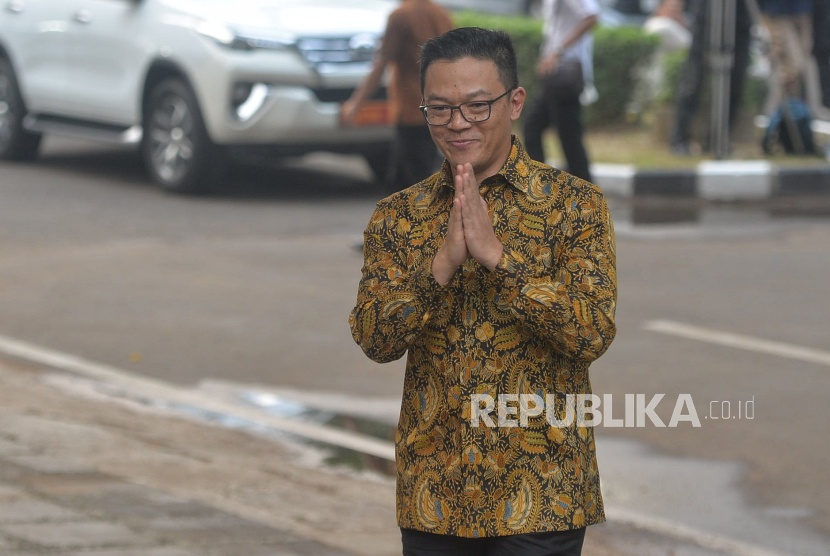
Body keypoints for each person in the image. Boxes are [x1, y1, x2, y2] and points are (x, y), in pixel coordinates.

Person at [349, 27, 617, 554]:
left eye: (477, 106)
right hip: (435, 493)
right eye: (440, 109)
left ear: (515, 102)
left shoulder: (575, 207)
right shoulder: (398, 216)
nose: (458, 124)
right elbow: (375, 340)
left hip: (542, 492)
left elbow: (592, 333)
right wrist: (440, 268)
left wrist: (499, 260)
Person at [340, 0, 453, 193]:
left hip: (411, 110)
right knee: (409, 177)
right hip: (441, 106)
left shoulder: (401, 16)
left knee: (413, 183)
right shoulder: (441, 14)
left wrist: (355, 104)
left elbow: (381, 64)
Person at [522, 0, 599, 183]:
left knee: (567, 136)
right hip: (557, 76)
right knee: (535, 129)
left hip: (565, 75)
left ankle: (583, 190)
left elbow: (591, 17)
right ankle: (540, 186)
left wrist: (557, 52)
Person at [670, 0, 752, 155]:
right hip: (708, 12)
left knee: (735, 82)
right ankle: (680, 139)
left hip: (739, 14)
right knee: (694, 79)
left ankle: (719, 139)